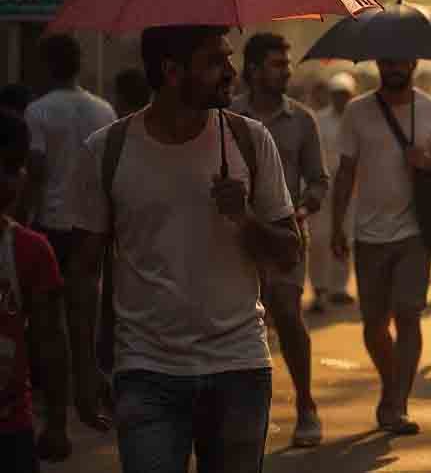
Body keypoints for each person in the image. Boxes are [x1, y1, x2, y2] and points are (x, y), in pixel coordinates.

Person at [70, 25, 301, 473]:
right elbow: (83, 270)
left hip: (239, 367)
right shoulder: (108, 150)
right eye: (215, 61)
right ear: (171, 71)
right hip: (145, 371)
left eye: (229, 57)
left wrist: (245, 217)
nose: (231, 71)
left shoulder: (250, 141)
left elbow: (289, 251)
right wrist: (83, 370)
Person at [330, 57, 431, 436]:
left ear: (414, 63)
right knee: (374, 326)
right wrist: (338, 226)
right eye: (387, 58)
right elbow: (346, 172)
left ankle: (397, 403)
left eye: (401, 58)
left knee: (408, 314)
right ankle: (392, 385)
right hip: (368, 235)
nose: (394, 65)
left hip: (414, 234)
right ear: (377, 63)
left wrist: (427, 163)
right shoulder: (357, 112)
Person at [230, 33, 328, 447]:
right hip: (234, 236)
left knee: (287, 315)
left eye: (287, 63)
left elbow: (319, 180)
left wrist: (305, 205)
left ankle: (306, 404)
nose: (286, 70)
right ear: (252, 71)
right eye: (277, 64)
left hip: (286, 235)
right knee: (238, 326)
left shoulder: (302, 119)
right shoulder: (228, 117)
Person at [16, 35, 115, 395]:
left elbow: (37, 170)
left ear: (48, 66)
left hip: (51, 223)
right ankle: (87, 380)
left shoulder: (38, 110)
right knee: (85, 307)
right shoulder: (104, 110)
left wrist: (21, 218)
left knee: (48, 313)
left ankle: (57, 385)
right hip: (91, 226)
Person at [0, 110, 75, 472]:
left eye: (13, 168)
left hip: (11, 424)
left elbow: (51, 340)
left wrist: (58, 421)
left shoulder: (29, 250)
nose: (8, 180)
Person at [308, 72, 358, 312]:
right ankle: (319, 289)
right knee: (318, 238)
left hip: (349, 188)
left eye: (345, 95)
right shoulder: (318, 120)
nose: (341, 99)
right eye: (337, 94)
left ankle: (339, 288)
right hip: (323, 185)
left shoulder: (358, 120)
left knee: (345, 235)